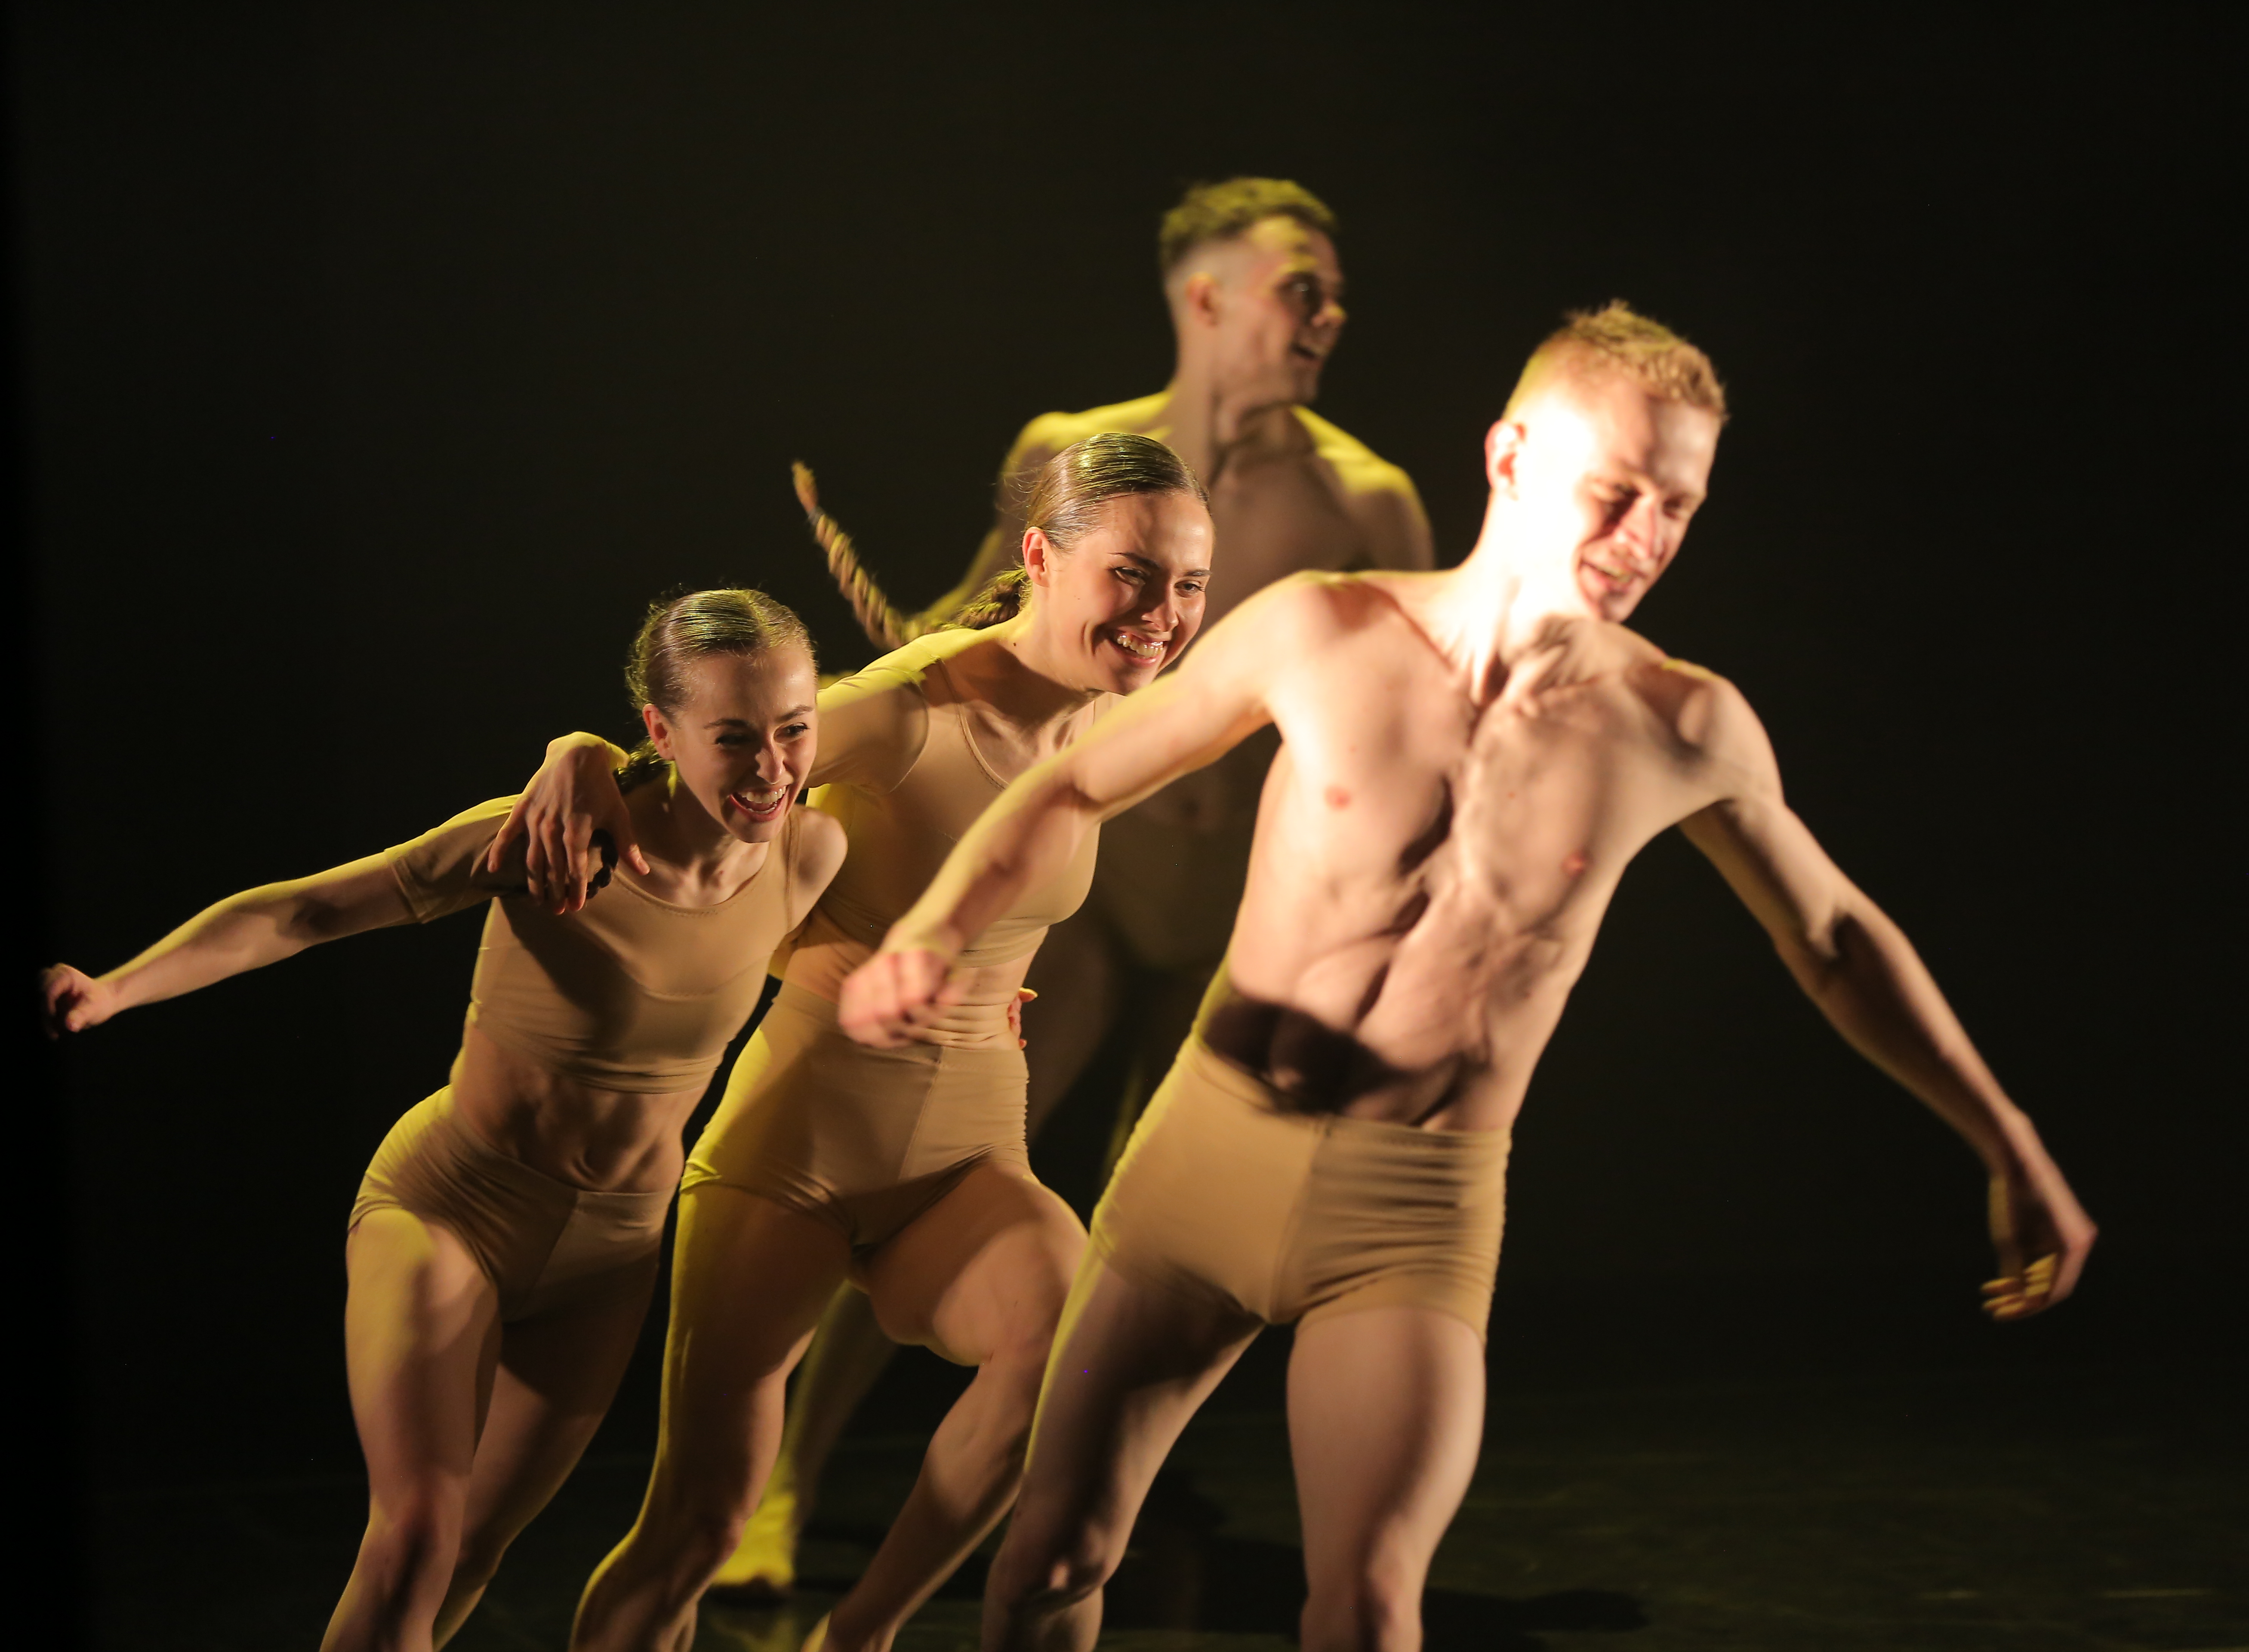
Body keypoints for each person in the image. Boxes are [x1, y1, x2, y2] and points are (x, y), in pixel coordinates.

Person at [836, 303, 2101, 1651]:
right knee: (1048, 1561)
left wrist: (2010, 1142)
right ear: (1509, 458)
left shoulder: (1682, 724)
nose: (1646, 537)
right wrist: (933, 931)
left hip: (1410, 1216)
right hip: (1195, 1180)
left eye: (1679, 507)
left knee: (1370, 1606)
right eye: (1618, 493)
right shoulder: (1324, 628)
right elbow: (1077, 781)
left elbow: (1836, 937)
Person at [714, 175, 1432, 1598]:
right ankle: (779, 1488)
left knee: (1149, 1231)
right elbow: (983, 625)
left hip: (1241, 915)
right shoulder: (1074, 453)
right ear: (1206, 297)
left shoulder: (1364, 496)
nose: (1330, 315)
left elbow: (1419, 712)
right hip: (1089, 896)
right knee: (934, 1184)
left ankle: (1072, 1491)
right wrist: (872, 674)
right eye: (1302, 287)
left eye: (1336, 293)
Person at [499, 434, 1214, 1652]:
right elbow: (714, 748)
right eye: (1134, 575)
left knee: (1066, 1356)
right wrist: (581, 756)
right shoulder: (909, 706)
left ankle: (861, 1635)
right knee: (695, 1532)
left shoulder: (1111, 723)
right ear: (1041, 558)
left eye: (1189, 584)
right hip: (798, 1152)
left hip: (968, 1155)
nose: (1164, 614)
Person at [40, 589, 844, 1651]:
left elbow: (883, 936)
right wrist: (114, 991)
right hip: (455, 1207)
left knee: (472, 1549)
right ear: (661, 731)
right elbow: (307, 910)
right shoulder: (547, 835)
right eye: (734, 737)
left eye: (794, 730)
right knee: (417, 1534)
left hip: (612, 1256)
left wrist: (975, 1001)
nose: (773, 767)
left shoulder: (812, 855)